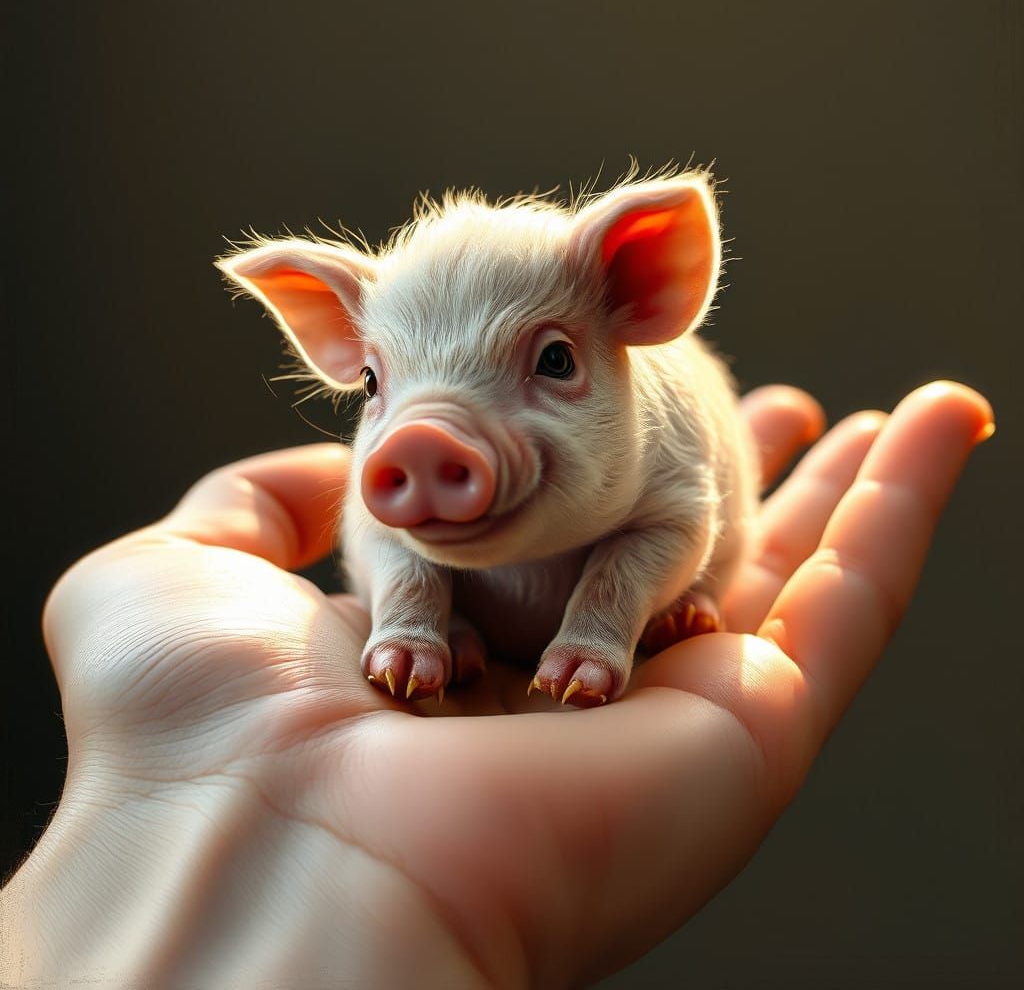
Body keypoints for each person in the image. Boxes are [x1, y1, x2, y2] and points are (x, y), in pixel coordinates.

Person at [1, 381, 993, 989]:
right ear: (340, 344)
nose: (432, 438)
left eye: (552, 364)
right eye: (386, 383)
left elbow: (675, 515)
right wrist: (411, 620)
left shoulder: (670, 422)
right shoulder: (394, 492)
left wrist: (608, 626)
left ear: (644, 297)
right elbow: (378, 533)